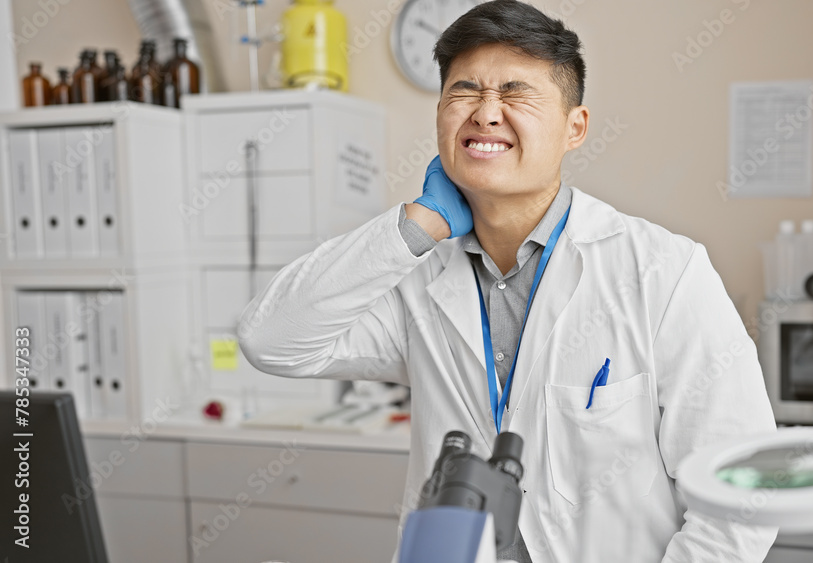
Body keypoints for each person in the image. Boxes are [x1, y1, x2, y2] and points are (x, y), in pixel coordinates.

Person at [237, 0, 778, 561]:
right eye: (465, 92)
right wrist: (417, 223)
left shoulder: (663, 272)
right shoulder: (417, 280)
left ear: (575, 127)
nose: (486, 113)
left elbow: (744, 499)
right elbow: (271, 340)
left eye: (516, 92)